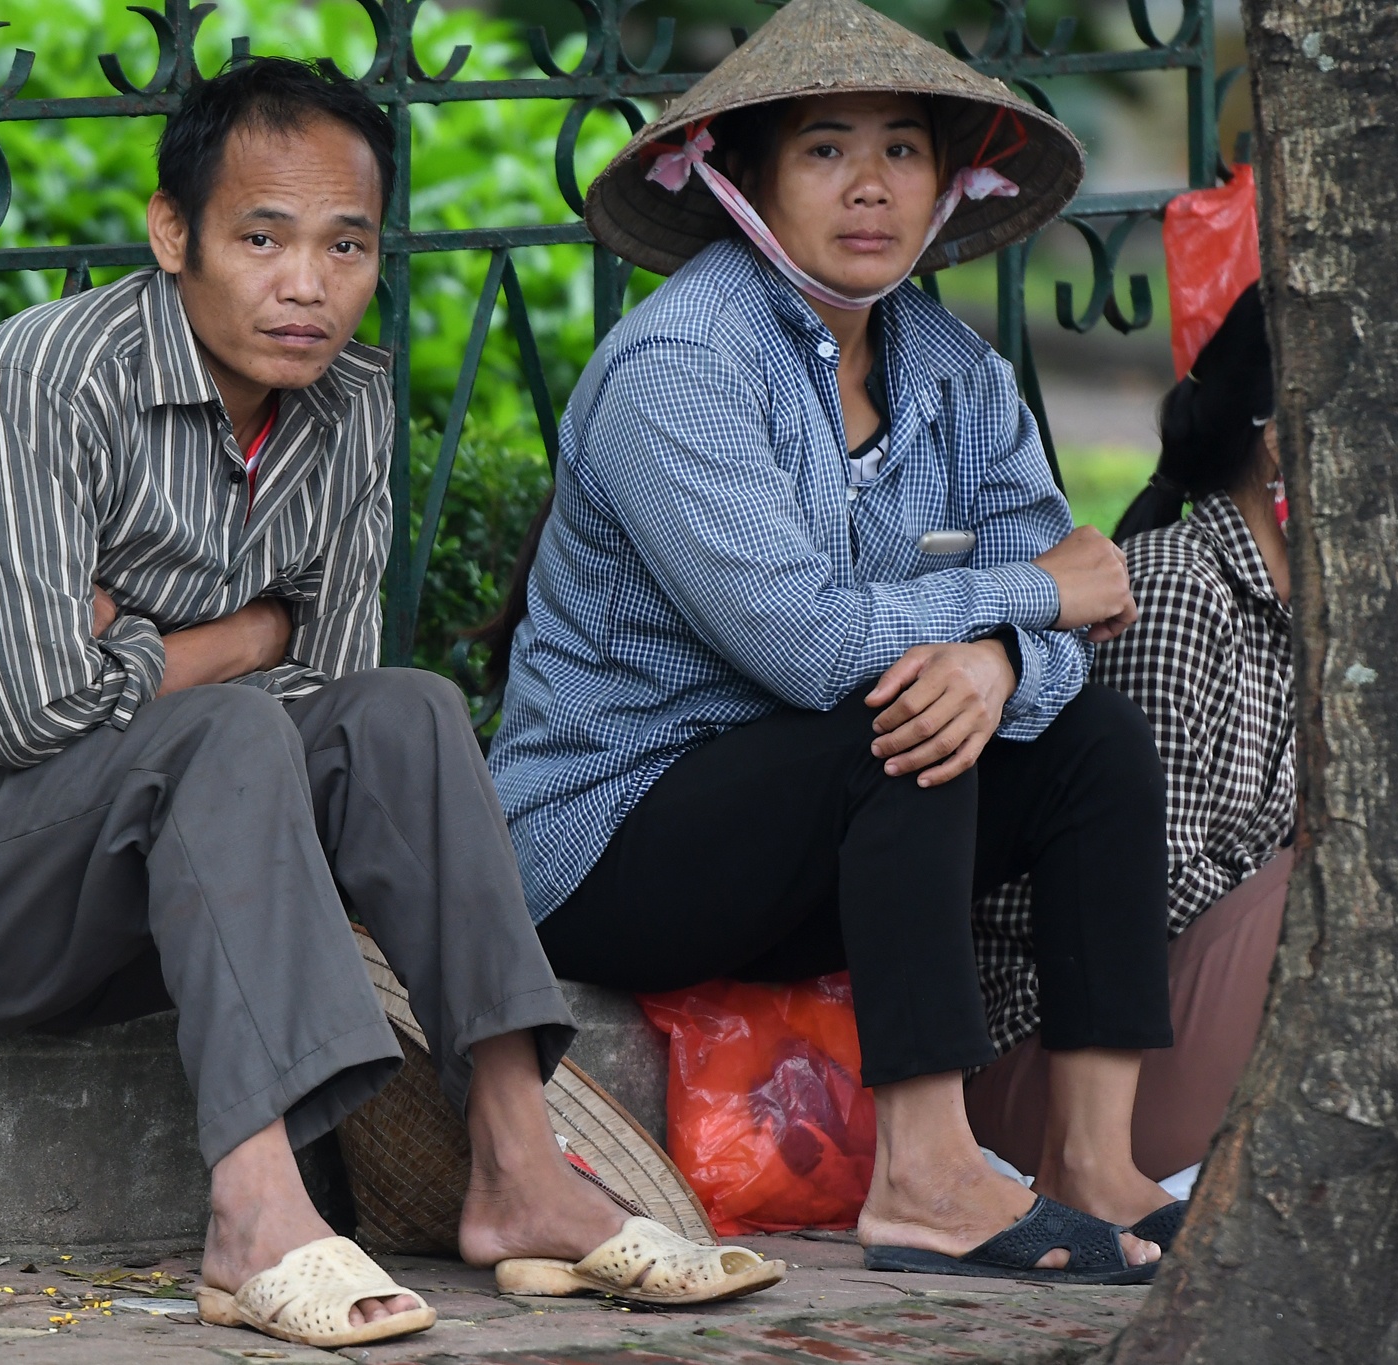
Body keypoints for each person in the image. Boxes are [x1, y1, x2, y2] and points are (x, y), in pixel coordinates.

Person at [0, 57, 781, 1351]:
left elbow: (336, 696)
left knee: (406, 712)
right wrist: (239, 638)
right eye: (262, 237)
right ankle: (255, 1213)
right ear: (172, 233)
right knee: (234, 723)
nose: (306, 283)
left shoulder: (347, 407)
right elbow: (28, 716)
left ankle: (522, 1173)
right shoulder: (43, 385)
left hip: (131, 890)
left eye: (344, 245)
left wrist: (143, 644)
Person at [485, 0, 1178, 1285]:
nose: (869, 186)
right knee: (894, 718)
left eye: (902, 150)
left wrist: (1003, 657)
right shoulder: (679, 365)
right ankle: (923, 1181)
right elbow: (812, 646)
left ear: (949, 178)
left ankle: (1095, 1159)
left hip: (806, 853)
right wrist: (1026, 601)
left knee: (1084, 731)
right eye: (821, 149)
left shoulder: (950, 372)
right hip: (607, 846)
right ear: (741, 180)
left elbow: (1078, 617)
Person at [966, 284, 1295, 1212]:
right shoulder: (1178, 589)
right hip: (1049, 1075)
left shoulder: (1303, 616)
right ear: (1282, 441)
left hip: (1182, 1029)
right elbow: (1132, 902)